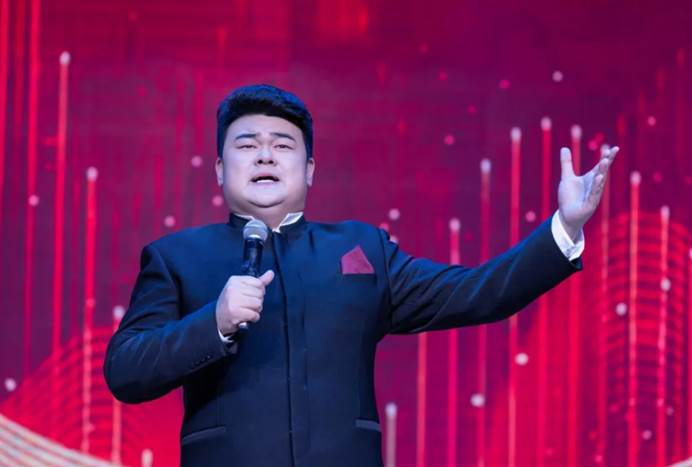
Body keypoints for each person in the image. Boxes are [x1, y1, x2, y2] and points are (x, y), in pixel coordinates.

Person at [104, 84, 618, 467]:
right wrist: (213, 322)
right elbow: (125, 370)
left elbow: (478, 292)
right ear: (219, 169)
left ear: (309, 169)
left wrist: (564, 228)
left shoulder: (361, 248)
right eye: (246, 145)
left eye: (282, 145)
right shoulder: (177, 257)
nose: (264, 154)